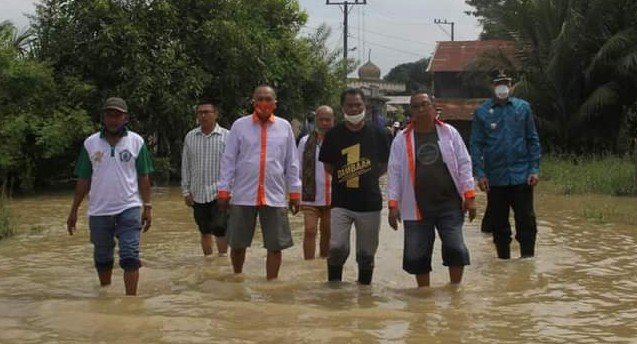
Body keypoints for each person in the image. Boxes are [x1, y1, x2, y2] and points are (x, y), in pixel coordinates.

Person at [387, 92, 476, 287]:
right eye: (416, 106)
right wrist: (393, 205)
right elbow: (393, 172)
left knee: (456, 249)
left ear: (433, 107)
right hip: (416, 206)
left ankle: (455, 291)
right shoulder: (401, 140)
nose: (421, 110)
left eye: (425, 105)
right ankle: (423, 296)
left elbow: (464, 163)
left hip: (449, 204)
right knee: (418, 256)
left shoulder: (449, 133)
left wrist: (469, 195)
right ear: (411, 112)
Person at [66, 97, 154, 296]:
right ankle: (104, 295)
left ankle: (131, 302)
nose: (113, 119)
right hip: (99, 210)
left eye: (117, 115)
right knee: (103, 256)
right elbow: (83, 179)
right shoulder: (90, 143)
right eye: (109, 115)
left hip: (129, 207)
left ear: (126, 118)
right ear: (103, 118)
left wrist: (147, 206)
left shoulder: (136, 142)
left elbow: (143, 176)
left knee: (130, 256)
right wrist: (74, 210)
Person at [217, 85, 301, 280]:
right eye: (260, 99)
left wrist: (295, 192)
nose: (264, 103)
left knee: (275, 245)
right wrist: (223, 191)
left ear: (275, 103)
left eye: (268, 99)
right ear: (253, 102)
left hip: (274, 195)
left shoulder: (284, 127)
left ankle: (271, 283)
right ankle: (237, 277)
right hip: (243, 194)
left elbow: (292, 162)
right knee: (237, 244)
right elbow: (228, 160)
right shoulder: (240, 126)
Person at [319, 88, 390, 285]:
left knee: (366, 254)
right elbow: (328, 165)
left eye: (358, 105)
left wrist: (367, 177)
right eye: (350, 105)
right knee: (336, 248)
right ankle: (334, 289)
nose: (354, 109)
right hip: (341, 202)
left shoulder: (379, 134)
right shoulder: (333, 135)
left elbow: (385, 165)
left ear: (364, 106)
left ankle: (364, 292)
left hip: (370, 203)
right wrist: (347, 176)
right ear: (343, 108)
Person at [470, 72, 541, 259]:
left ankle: (527, 260)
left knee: (526, 221)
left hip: (522, 175)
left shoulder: (523, 108)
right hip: (495, 178)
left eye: (505, 83)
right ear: (492, 86)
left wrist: (534, 169)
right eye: (498, 83)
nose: (502, 86)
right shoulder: (482, 112)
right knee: (499, 225)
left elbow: (532, 139)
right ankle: (503, 260)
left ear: (511, 85)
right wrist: (480, 174)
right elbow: (476, 145)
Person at [181, 100, 229, 257]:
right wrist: (185, 191)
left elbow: (234, 167)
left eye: (207, 112)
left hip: (220, 193)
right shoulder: (190, 137)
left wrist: (231, 190)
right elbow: (186, 165)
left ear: (216, 115)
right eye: (200, 112)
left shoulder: (227, 137)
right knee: (204, 230)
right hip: (198, 193)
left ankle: (222, 262)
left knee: (220, 229)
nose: (203, 115)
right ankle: (208, 262)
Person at [297, 105, 335, 260]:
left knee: (327, 232)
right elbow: (297, 168)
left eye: (328, 120)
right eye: (321, 120)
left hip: (333, 197)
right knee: (310, 230)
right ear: (316, 120)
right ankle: (308, 263)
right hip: (310, 196)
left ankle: (322, 264)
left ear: (333, 121)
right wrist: (295, 193)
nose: (325, 123)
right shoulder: (305, 142)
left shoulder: (338, 141)